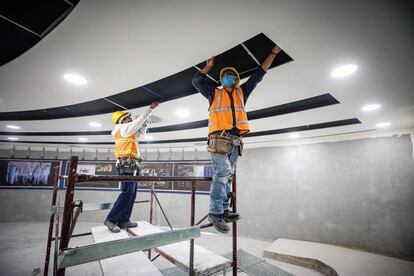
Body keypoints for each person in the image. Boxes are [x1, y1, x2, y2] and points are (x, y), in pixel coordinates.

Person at [192, 45, 282, 233]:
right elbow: (196, 80)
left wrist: (272, 53)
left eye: (231, 75)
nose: (227, 77)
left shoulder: (243, 92)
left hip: (235, 141)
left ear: (236, 79)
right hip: (219, 139)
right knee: (222, 173)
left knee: (227, 176)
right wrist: (208, 67)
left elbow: (260, 74)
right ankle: (215, 213)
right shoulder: (213, 93)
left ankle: (224, 210)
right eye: (224, 75)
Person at [104, 102, 159, 233]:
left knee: (132, 193)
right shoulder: (122, 128)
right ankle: (111, 219)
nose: (131, 119)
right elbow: (138, 122)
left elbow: (141, 132)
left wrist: (145, 122)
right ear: (122, 120)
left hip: (132, 165)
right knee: (127, 192)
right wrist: (149, 109)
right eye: (128, 117)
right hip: (125, 165)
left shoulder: (128, 131)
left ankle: (123, 220)